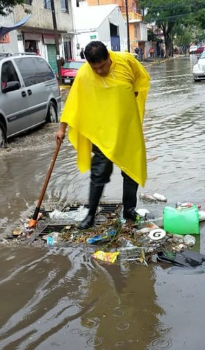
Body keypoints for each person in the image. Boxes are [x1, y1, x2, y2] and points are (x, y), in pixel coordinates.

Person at [54, 41, 151, 229]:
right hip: (102, 132)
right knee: (99, 172)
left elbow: (141, 78)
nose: (99, 71)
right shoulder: (83, 74)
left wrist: (133, 94)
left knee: (131, 171)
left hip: (127, 129)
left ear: (109, 57)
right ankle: (90, 215)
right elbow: (73, 102)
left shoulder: (126, 61)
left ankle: (129, 211)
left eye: (103, 66)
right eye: (95, 68)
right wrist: (62, 129)